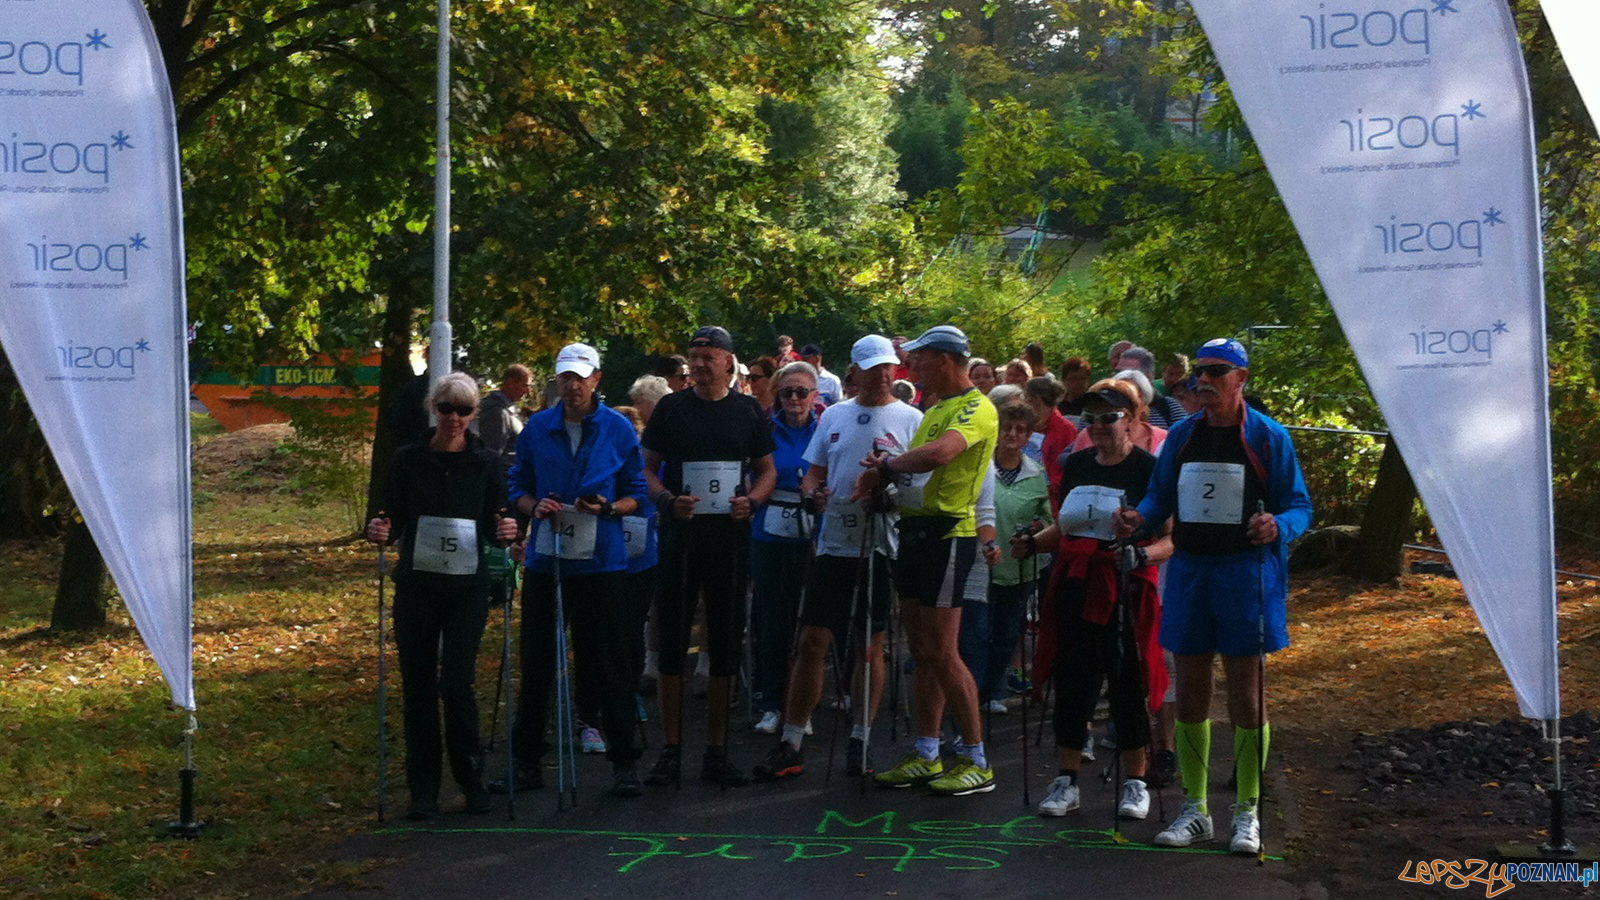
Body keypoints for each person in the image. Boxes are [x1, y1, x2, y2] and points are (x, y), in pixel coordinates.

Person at [1114, 338, 1312, 854]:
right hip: (1191, 571)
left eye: (1217, 371)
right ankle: (1195, 809)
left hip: (1247, 574)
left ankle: (1247, 810)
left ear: (1241, 377)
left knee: (1247, 694)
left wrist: (1279, 526)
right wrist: (1139, 518)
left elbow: (1299, 506)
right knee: (1192, 691)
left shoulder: (1268, 437)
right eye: (1201, 370)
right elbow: (1159, 497)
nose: (1205, 379)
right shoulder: (1181, 436)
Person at [752, 336, 923, 781]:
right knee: (812, 639)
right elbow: (814, 472)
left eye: (888, 366)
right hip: (833, 543)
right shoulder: (836, 415)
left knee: (869, 646)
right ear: (855, 371)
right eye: (872, 367)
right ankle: (791, 740)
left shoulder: (912, 418)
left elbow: (921, 487)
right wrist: (813, 494)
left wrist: (892, 499)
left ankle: (860, 739)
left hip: (881, 543)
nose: (882, 374)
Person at [853, 324, 999, 797]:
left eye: (919, 357)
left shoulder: (977, 406)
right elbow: (916, 465)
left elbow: (939, 455)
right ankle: (927, 752)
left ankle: (976, 757)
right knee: (921, 649)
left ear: (944, 359)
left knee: (942, 649)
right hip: (914, 531)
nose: (911, 366)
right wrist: (887, 485)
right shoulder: (934, 407)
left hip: (949, 535)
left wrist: (889, 467)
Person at [1014, 383, 1172, 820]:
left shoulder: (1148, 469)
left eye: (1109, 417)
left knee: (1126, 682)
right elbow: (1067, 527)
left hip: (1125, 586)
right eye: (1092, 419)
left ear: (1133, 419)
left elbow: (1171, 538)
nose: (1099, 426)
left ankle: (1136, 781)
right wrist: (1032, 543)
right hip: (1074, 584)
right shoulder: (1078, 464)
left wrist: (1140, 553)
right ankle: (1066, 780)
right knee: (1073, 681)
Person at [366, 372, 518, 820]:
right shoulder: (409, 459)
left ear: (474, 415)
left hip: (466, 589)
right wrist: (379, 529)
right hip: (417, 586)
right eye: (447, 408)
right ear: (435, 409)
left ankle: (471, 780)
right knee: (418, 689)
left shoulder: (489, 463)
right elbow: (388, 515)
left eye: (464, 410)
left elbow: (498, 522)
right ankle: (423, 789)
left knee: (457, 685)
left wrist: (509, 531)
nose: (455, 418)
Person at [501, 343, 650, 797]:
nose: (573, 385)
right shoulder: (538, 427)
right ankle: (526, 760)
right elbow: (517, 484)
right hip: (548, 557)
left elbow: (637, 491)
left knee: (610, 661)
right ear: (557, 380)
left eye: (581, 376)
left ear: (596, 379)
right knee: (538, 661)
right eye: (566, 376)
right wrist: (533, 505)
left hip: (602, 559)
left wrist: (609, 508)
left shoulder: (618, 428)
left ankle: (624, 761)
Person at [641, 326, 777, 786]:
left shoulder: (748, 411)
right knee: (672, 643)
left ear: (728, 362)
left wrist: (754, 502)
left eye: (708, 356)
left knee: (723, 643)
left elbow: (767, 470)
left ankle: (717, 750)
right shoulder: (671, 407)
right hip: (681, 539)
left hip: (730, 541)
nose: (699, 364)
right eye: (693, 357)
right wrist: (665, 501)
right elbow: (647, 469)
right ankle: (671, 749)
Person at [960, 403, 1051, 717]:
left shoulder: (1037, 474)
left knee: (1008, 633)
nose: (1012, 434)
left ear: (1028, 435)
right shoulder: (980, 467)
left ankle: (990, 691)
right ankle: (969, 693)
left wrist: (1039, 528)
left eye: (1020, 430)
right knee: (974, 634)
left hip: (1019, 568)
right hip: (979, 565)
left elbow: (1049, 518)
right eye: (1007, 427)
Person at [749, 361, 821, 735]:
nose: (794, 399)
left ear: (814, 396)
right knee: (773, 620)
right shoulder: (763, 429)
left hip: (812, 533)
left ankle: (802, 707)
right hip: (769, 530)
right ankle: (772, 703)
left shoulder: (825, 429)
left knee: (808, 623)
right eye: (787, 392)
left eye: (802, 392)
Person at [1022, 376, 1078, 510]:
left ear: (1036, 399)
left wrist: (1043, 487)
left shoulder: (1066, 429)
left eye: (1027, 397)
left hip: (1050, 501)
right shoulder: (1025, 423)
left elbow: (1067, 470)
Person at [475, 364, 531, 478]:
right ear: (511, 383)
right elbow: (492, 453)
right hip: (504, 482)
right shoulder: (497, 411)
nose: (528, 391)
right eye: (525, 386)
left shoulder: (509, 409)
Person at [1117, 346, 1189, 429]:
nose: (1121, 377)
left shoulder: (1169, 408)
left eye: (1130, 373)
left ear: (1149, 376)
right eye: (1119, 372)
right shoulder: (1107, 408)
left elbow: (1187, 438)